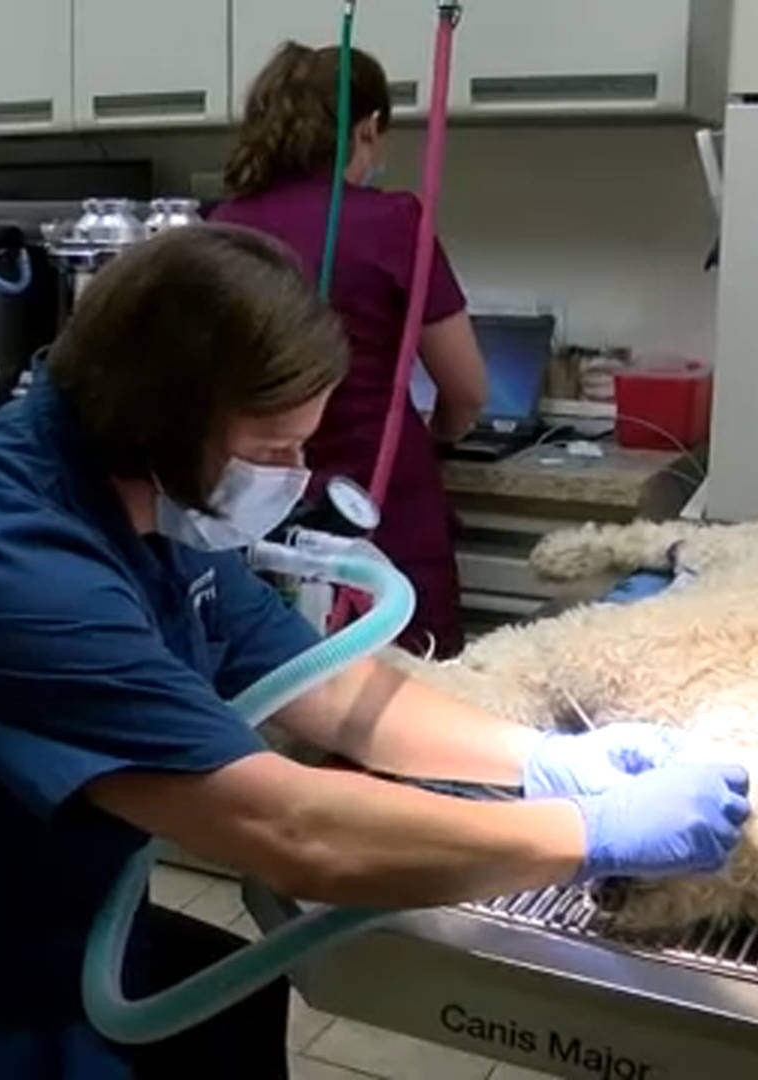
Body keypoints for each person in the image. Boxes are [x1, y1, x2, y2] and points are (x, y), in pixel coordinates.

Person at [0, 225, 748, 1079]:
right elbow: (291, 831)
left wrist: (536, 759)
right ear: (162, 413)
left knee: (232, 1008)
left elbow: (331, 687)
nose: (287, 477)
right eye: (271, 450)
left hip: (24, 937)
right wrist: (590, 832)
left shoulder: (147, 498)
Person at [213, 42, 486, 657]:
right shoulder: (393, 221)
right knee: (410, 695)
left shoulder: (221, 225)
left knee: (278, 687)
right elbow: (467, 389)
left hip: (257, 506)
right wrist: (442, 433)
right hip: (381, 504)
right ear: (368, 129)